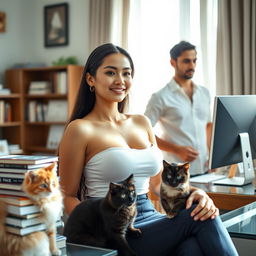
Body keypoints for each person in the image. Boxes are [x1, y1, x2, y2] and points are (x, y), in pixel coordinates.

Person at [58, 43, 238, 256]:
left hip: (151, 217)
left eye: (127, 73)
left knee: (192, 247)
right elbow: (67, 195)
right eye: (110, 72)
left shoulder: (141, 122)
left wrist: (196, 192)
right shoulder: (80, 129)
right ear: (90, 79)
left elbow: (156, 184)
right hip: (113, 228)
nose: (120, 80)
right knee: (201, 219)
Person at [144, 41, 212, 176]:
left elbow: (208, 126)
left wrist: (212, 159)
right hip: (175, 174)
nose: (192, 66)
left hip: (206, 171)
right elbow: (145, 134)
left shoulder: (205, 93)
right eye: (186, 61)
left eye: (194, 61)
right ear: (173, 62)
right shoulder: (160, 97)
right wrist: (177, 149)